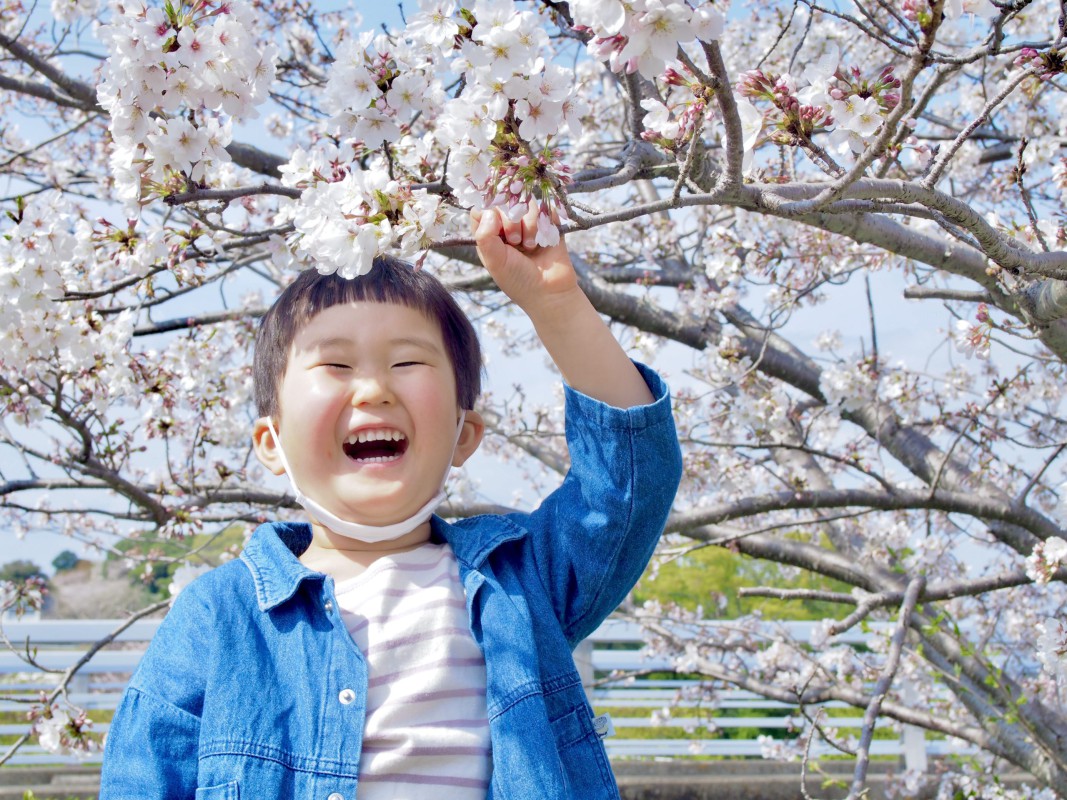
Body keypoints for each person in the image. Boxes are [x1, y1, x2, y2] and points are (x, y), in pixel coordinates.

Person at [99, 207, 683, 799]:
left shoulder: (521, 584)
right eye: (335, 365)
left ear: (464, 435)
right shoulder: (218, 616)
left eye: (407, 363)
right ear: (272, 442)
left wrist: (557, 305)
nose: (374, 389)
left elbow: (629, 483)